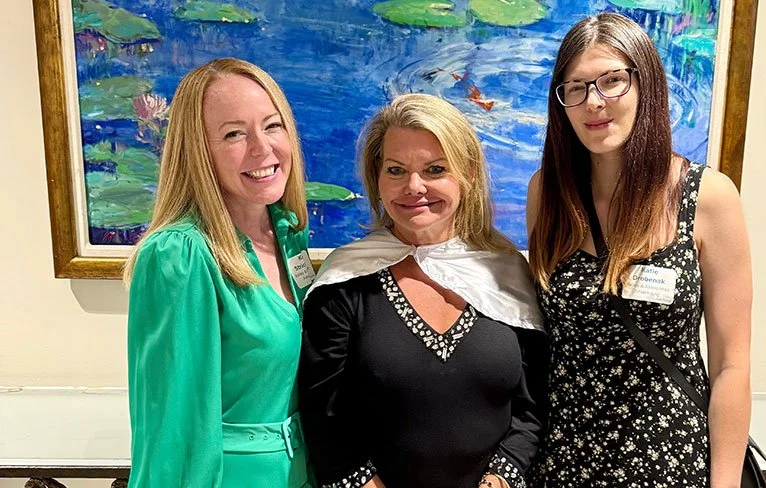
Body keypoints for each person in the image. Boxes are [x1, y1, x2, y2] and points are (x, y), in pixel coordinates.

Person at [526, 13, 754, 487]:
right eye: (575, 87)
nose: (594, 103)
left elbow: (732, 365)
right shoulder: (547, 192)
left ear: (644, 82)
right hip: (567, 461)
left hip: (670, 462)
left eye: (612, 81)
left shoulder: (707, 197)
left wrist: (725, 482)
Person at [299, 93, 547, 488]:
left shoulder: (506, 274)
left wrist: (502, 479)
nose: (414, 187)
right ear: (376, 179)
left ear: (464, 175)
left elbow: (531, 408)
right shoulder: (345, 280)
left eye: (434, 169)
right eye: (396, 170)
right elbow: (323, 413)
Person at [123, 58, 316, 487]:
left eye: (272, 125)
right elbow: (172, 428)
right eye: (234, 134)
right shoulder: (180, 255)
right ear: (199, 151)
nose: (262, 148)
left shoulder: (286, 234)